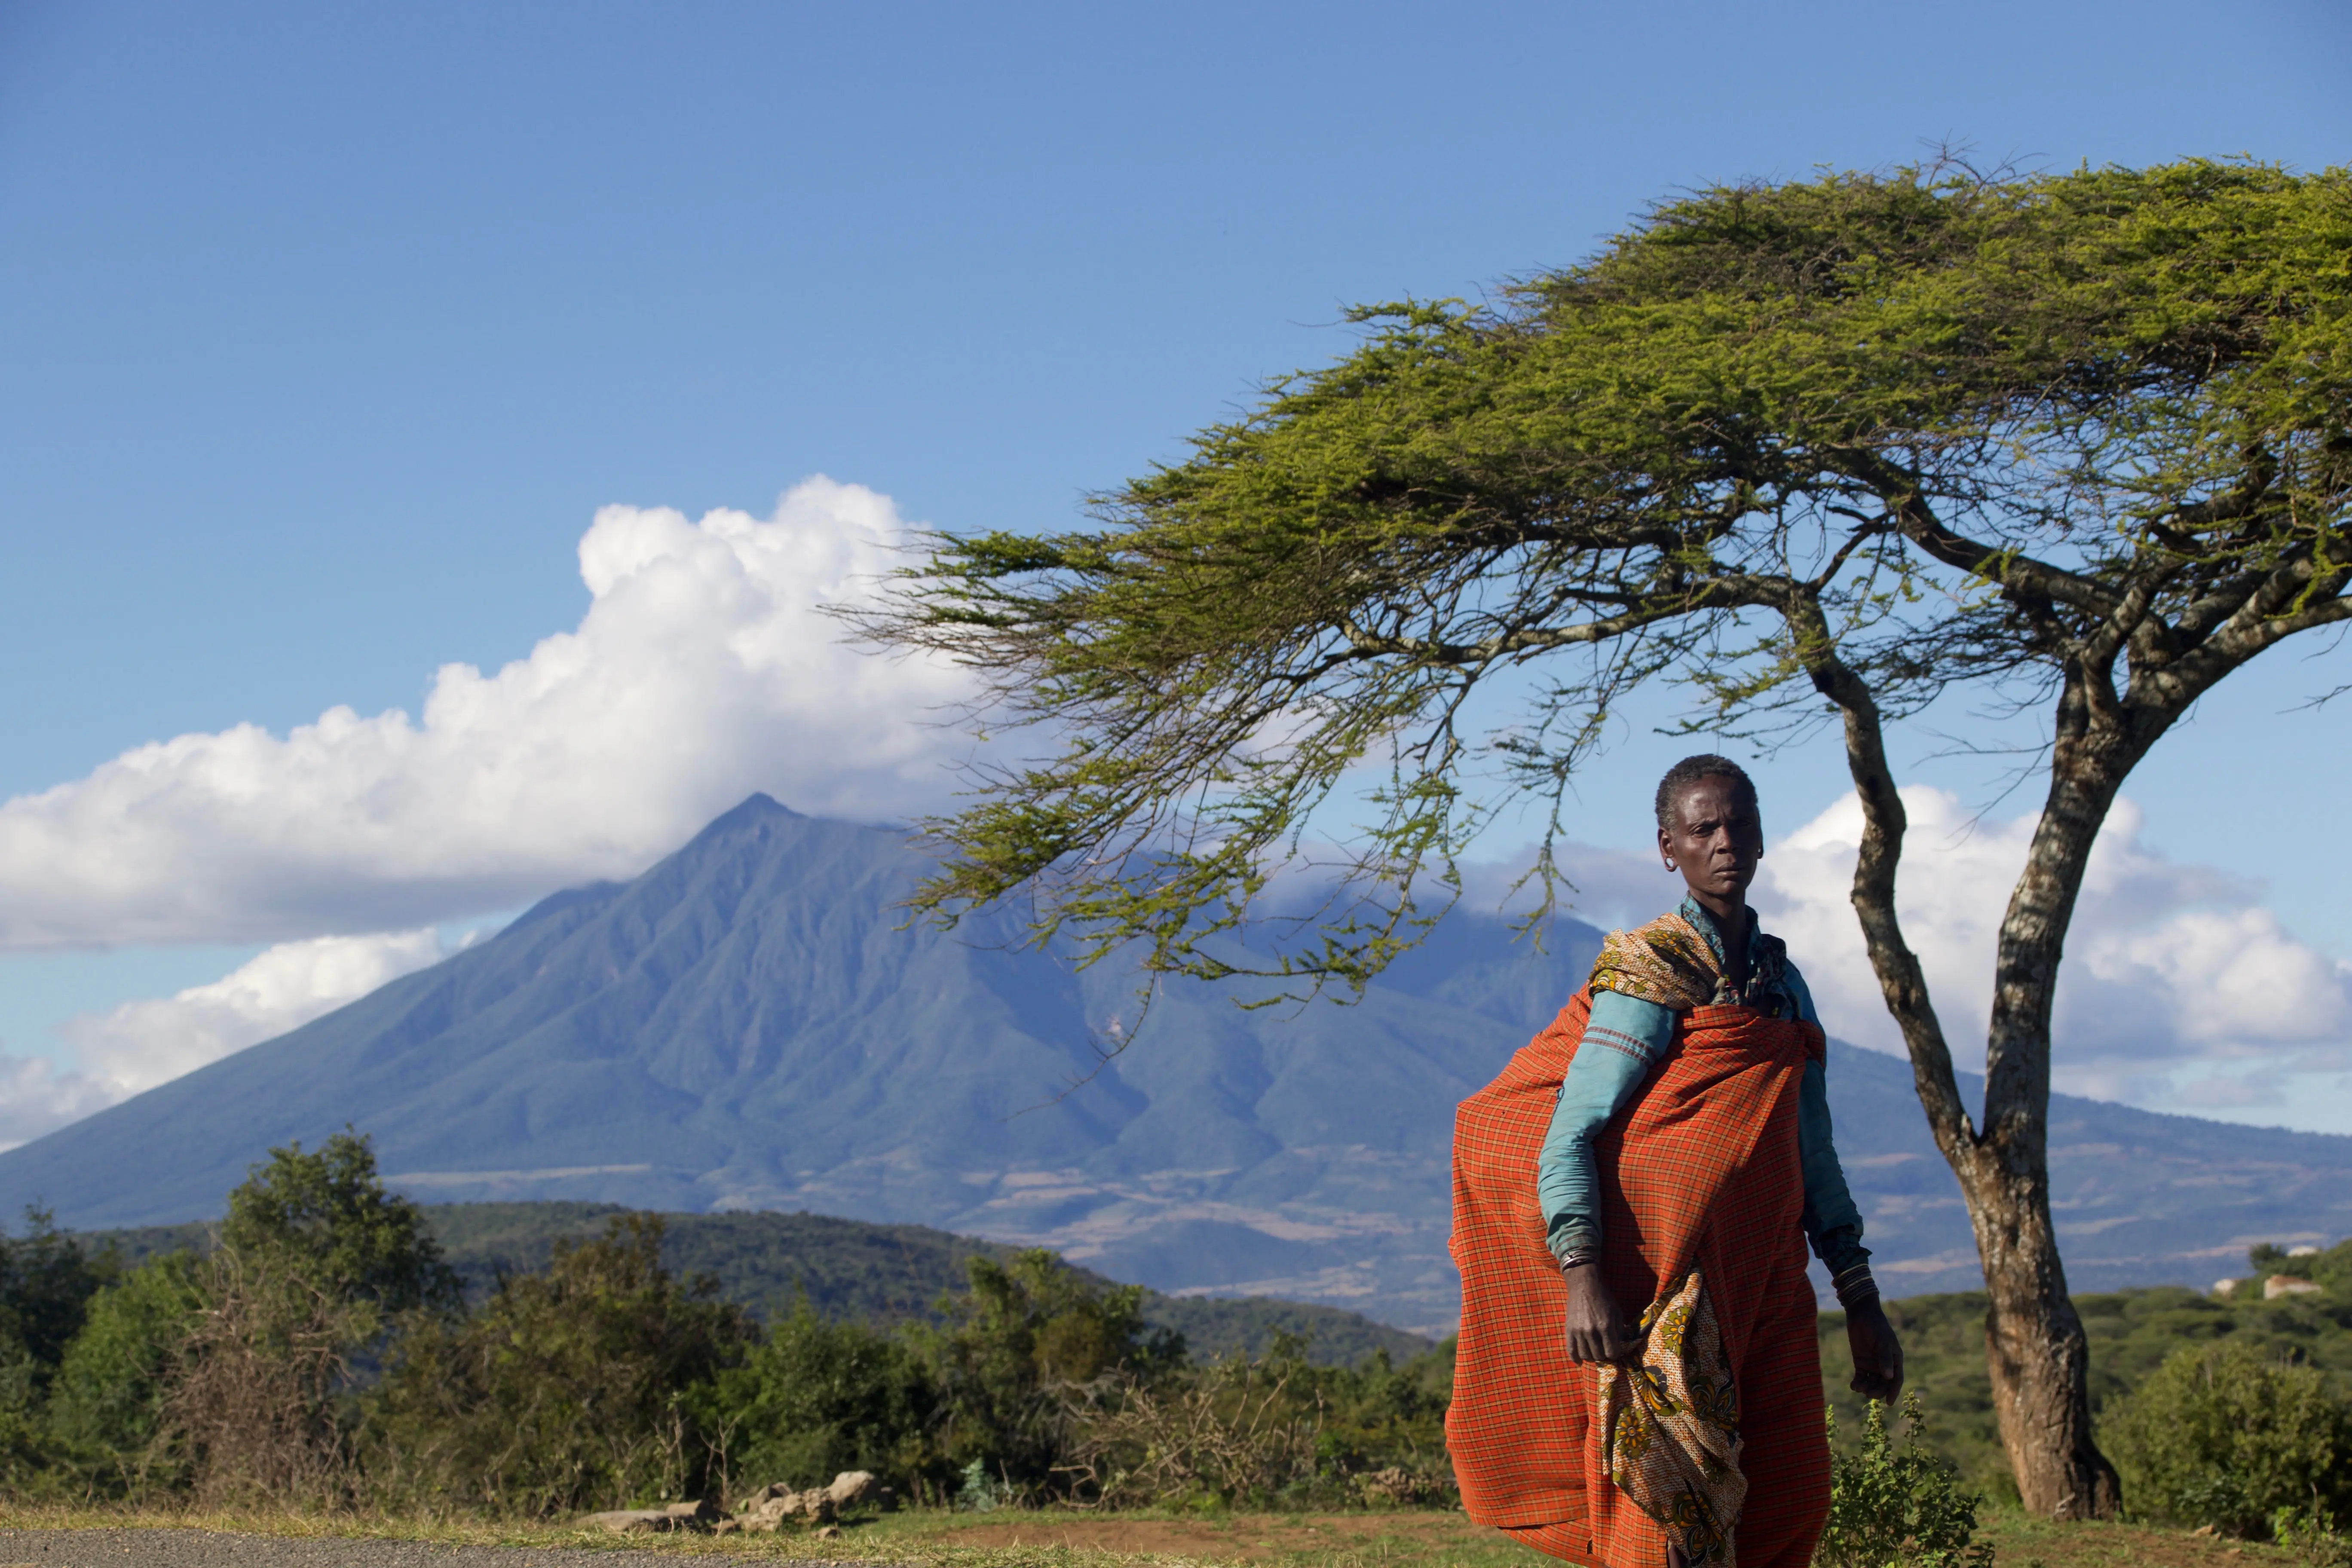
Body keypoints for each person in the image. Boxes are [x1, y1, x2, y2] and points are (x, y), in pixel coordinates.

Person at [1446, 754, 1904, 1568]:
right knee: (1669, 1518)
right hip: (1671, 1299)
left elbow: (1813, 1151)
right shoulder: (1648, 977)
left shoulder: (1781, 985)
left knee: (1792, 1496)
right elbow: (1573, 1133)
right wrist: (1582, 1275)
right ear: (1670, 849)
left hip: (1767, 1282)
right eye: (1704, 829)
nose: (1725, 842)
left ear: (1762, 834)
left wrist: (1860, 1297)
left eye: (1739, 824)